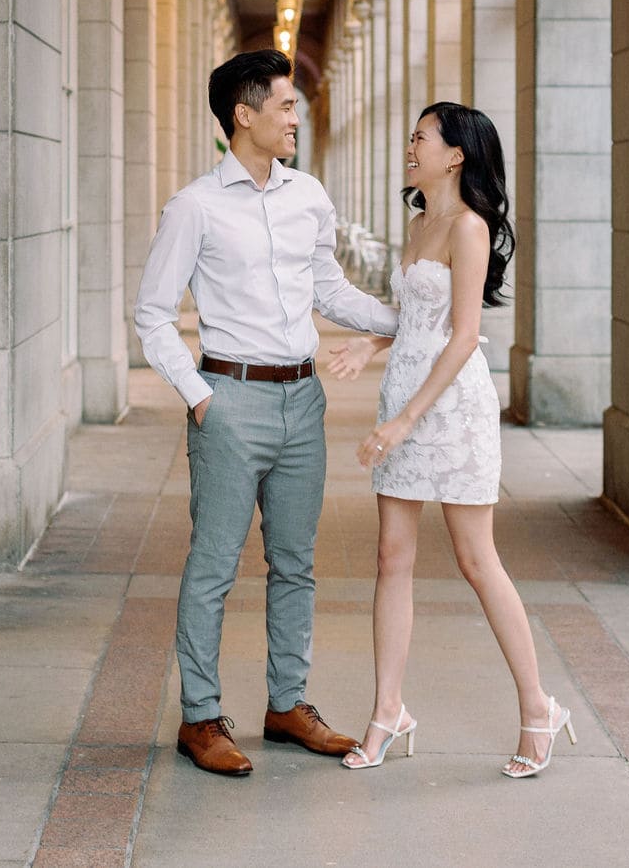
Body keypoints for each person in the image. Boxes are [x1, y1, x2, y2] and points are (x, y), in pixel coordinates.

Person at [134, 48, 401, 778]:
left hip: (302, 398)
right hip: (231, 399)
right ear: (242, 115)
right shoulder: (195, 206)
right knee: (214, 564)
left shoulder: (308, 196)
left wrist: (410, 315)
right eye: (285, 106)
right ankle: (201, 717)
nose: (296, 117)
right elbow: (153, 315)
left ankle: (287, 706)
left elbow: (330, 290)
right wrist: (201, 398)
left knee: (295, 563)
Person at [327, 102, 576, 779]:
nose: (411, 146)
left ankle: (538, 707)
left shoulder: (468, 228)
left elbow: (463, 335)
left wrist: (406, 420)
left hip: (450, 408)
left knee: (476, 559)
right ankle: (388, 710)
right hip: (404, 393)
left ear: (456, 154)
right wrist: (372, 342)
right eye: (411, 136)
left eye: (421, 138)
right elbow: (417, 319)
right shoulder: (417, 224)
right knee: (390, 556)